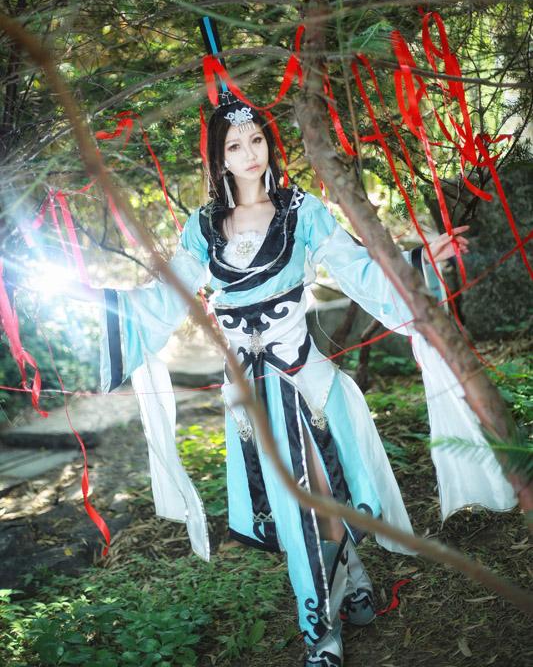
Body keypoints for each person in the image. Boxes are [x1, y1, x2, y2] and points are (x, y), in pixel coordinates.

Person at [82, 92, 515, 667]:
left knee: (312, 496)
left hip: (305, 382)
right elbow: (168, 296)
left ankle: (320, 632)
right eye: (234, 146)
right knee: (299, 505)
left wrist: (417, 260)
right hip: (249, 395)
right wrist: (101, 305)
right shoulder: (203, 227)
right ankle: (353, 585)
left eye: (256, 140)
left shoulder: (301, 211)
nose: (250, 153)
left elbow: (358, 268)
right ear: (218, 159)